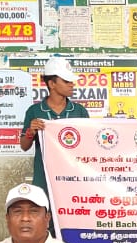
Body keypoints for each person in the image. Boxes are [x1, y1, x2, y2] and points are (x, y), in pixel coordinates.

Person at [19, 57, 88, 198]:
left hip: (72, 176)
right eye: (66, 81)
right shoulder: (35, 111)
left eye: (71, 81)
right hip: (44, 177)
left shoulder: (79, 111)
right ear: (52, 84)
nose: (72, 85)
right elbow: (24, 146)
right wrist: (31, 132)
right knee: (44, 208)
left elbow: (88, 146)